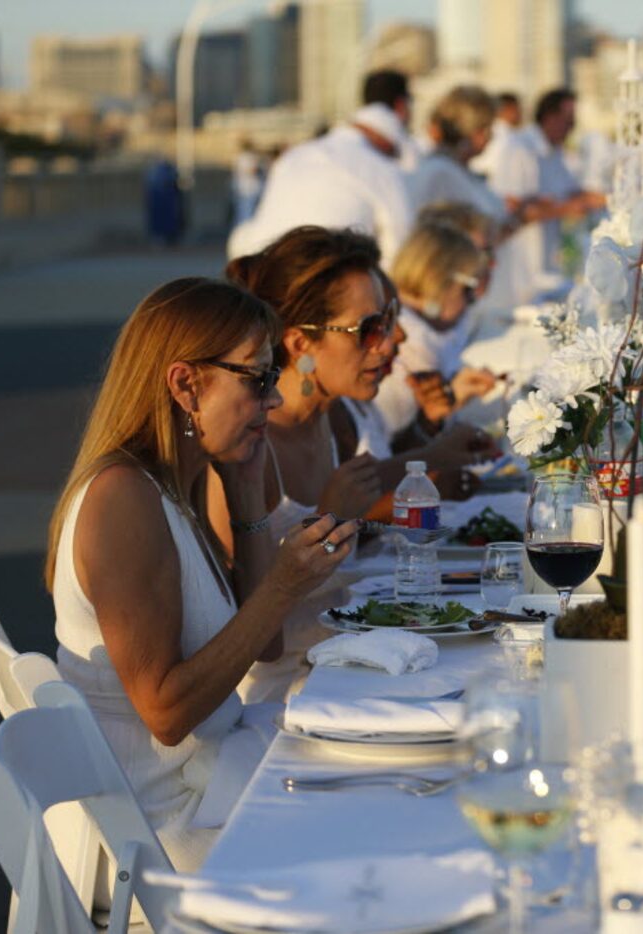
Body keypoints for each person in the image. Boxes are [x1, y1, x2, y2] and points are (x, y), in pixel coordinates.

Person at [48, 277, 359, 867]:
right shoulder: (123, 500)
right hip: (162, 832)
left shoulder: (172, 487)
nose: (274, 399)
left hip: (203, 793)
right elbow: (166, 713)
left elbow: (265, 647)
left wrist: (246, 500)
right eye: (259, 378)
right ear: (186, 385)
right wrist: (284, 585)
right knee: (374, 833)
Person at [219, 226, 484, 702]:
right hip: (287, 698)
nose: (390, 343)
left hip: (360, 662)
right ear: (300, 344)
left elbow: (365, 484)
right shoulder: (250, 449)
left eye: (391, 318)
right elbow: (252, 635)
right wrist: (332, 519)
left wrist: (432, 450)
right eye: (370, 330)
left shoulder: (334, 415)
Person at [227, 70, 415, 268]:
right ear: (401, 108)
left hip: (266, 282)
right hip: (329, 288)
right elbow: (401, 256)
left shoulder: (295, 156)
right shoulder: (382, 169)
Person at [374, 222, 500, 447]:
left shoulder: (420, 325)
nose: (471, 302)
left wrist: (455, 394)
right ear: (439, 279)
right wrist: (450, 397)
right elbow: (404, 449)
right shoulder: (413, 336)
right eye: (468, 290)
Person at [488, 88, 601, 307]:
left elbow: (573, 193)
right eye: (568, 121)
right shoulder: (518, 148)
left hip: (545, 268)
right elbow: (513, 209)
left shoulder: (554, 151)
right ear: (550, 117)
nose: (571, 128)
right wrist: (566, 209)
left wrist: (612, 198)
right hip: (519, 272)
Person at [405, 86, 510, 232]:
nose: (491, 136)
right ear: (475, 130)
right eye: (488, 128)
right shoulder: (439, 171)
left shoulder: (458, 169)